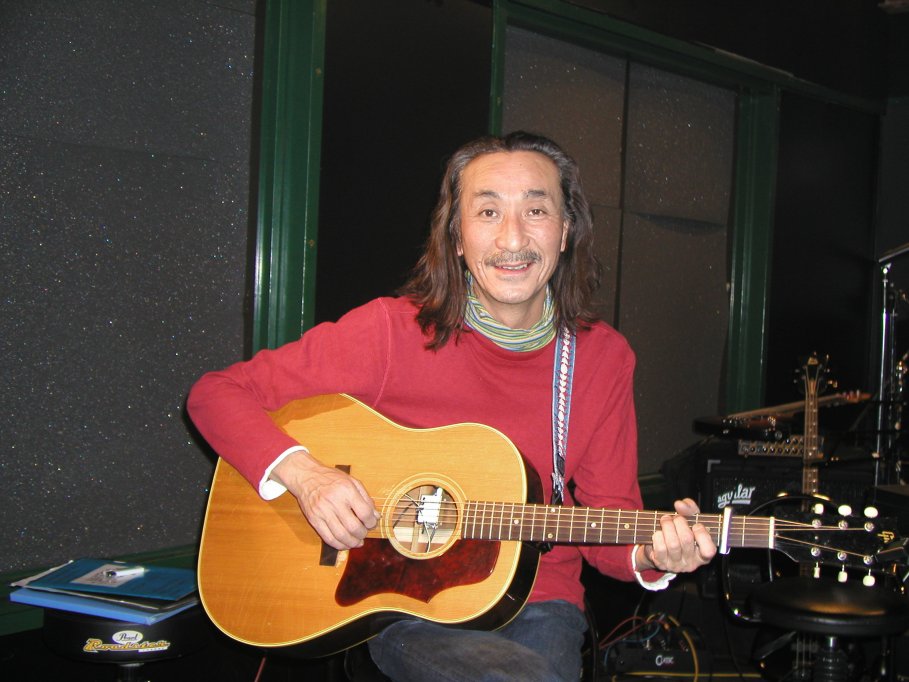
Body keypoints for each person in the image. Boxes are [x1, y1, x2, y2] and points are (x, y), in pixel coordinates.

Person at [187, 131, 717, 682]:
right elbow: (215, 394)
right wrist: (308, 477)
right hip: (404, 603)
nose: (513, 238)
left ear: (565, 231)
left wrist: (655, 556)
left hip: (538, 603)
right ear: (457, 237)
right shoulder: (390, 332)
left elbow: (611, 520)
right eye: (487, 212)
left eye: (536, 210)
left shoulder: (602, 358)